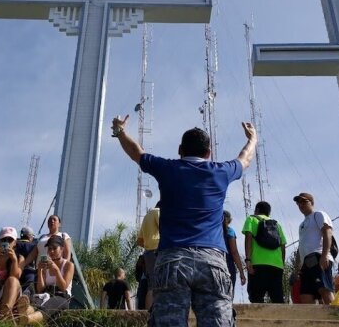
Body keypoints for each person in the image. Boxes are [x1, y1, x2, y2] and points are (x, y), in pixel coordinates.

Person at [112, 115, 257, 327]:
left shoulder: (167, 169)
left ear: (180, 150)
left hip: (173, 259)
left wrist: (120, 131)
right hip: (212, 262)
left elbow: (137, 152)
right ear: (209, 153)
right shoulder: (221, 171)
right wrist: (252, 138)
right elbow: (245, 159)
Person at [294, 192, 334, 304]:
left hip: (318, 256)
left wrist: (325, 255)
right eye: (298, 203)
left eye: (304, 201)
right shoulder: (301, 224)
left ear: (311, 202)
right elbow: (301, 245)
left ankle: (336, 319)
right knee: (305, 295)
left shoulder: (319, 214)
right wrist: (297, 268)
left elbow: (327, 233)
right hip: (306, 262)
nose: (300, 204)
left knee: (324, 289)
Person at [242, 201, 286, 303]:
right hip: (276, 265)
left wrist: (248, 259)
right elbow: (283, 246)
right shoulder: (276, 225)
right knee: (277, 298)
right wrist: (281, 264)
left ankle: (259, 319)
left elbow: (248, 238)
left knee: (256, 296)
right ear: (268, 213)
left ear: (257, 210)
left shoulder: (251, 219)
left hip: (258, 263)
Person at [137, 201, 160, 309]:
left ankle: (148, 314)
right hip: (158, 251)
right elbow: (165, 229)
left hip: (148, 253)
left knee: (151, 285)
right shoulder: (158, 212)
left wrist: (149, 244)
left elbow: (140, 241)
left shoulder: (147, 216)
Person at [16, 226, 37, 294]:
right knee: (27, 291)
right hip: (29, 272)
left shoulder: (14, 244)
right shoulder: (34, 246)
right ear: (29, 236)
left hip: (14, 270)